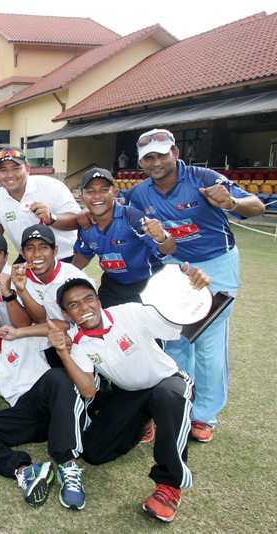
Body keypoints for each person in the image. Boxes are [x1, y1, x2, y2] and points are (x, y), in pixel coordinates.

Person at [125, 128, 264, 442]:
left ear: (176, 153)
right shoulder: (138, 194)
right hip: (174, 269)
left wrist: (231, 203)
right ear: (141, 163)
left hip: (217, 264)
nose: (156, 162)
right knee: (175, 340)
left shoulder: (203, 178)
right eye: (149, 157)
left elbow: (256, 205)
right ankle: (178, 405)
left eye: (162, 154)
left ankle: (204, 415)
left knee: (208, 343)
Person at [53, 271, 210, 522]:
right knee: (93, 453)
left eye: (88, 298)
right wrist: (63, 353)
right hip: (130, 395)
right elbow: (88, 390)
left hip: (166, 382)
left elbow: (177, 321)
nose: (84, 307)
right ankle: (145, 421)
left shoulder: (129, 313)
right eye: (74, 304)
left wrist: (191, 289)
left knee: (169, 398)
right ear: (65, 314)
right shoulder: (79, 343)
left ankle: (170, 485)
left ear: (98, 300)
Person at [0, 305, 87, 510]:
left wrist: (20, 331)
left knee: (56, 376)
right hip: (24, 415)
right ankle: (25, 471)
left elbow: (62, 325)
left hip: (50, 401)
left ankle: (67, 463)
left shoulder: (21, 338)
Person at [71, 168, 175, 307]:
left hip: (146, 285)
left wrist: (162, 237)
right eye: (90, 191)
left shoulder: (132, 218)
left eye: (103, 190)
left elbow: (169, 249)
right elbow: (81, 258)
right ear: (82, 197)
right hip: (112, 287)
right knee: (107, 325)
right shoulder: (86, 227)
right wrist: (62, 275)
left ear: (115, 193)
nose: (97, 196)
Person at [0, 147, 80, 263]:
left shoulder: (51, 186)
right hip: (29, 261)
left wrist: (50, 218)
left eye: (16, 168)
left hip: (65, 258)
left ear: (27, 168)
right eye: (3, 170)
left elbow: (77, 220)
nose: (10, 175)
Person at [11, 225, 95, 326]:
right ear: (22, 253)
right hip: (45, 333)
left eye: (43, 247)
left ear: (55, 251)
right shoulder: (20, 275)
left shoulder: (75, 276)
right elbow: (40, 318)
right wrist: (21, 290)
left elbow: (92, 320)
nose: (37, 254)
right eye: (30, 248)